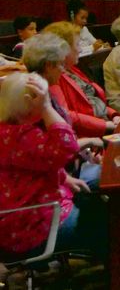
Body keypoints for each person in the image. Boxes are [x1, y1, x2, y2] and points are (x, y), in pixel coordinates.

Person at [0, 72, 107, 258]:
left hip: (16, 224)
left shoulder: (8, 133)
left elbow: (35, 166)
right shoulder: (23, 136)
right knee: (108, 221)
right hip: (31, 228)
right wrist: (46, 107)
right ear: (29, 103)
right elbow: (68, 146)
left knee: (96, 205)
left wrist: (64, 178)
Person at [22, 32, 116, 139]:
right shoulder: (42, 89)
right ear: (49, 66)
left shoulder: (42, 83)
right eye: (61, 64)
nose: (63, 70)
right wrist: (103, 127)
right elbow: (63, 131)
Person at [43, 22, 120, 125]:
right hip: (90, 130)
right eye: (77, 44)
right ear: (63, 49)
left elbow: (92, 99)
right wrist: (104, 125)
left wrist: (113, 114)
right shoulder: (54, 77)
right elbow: (65, 115)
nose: (80, 50)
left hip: (104, 121)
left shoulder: (73, 69)